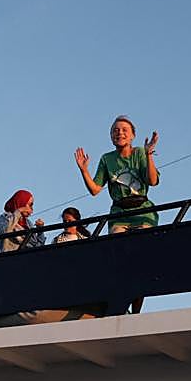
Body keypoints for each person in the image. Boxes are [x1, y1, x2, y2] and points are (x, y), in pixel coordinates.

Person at [75, 116, 160, 312]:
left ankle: (137, 307)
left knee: (141, 259)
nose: (119, 133)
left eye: (124, 130)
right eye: (115, 130)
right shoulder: (107, 159)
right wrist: (84, 170)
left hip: (142, 211)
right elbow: (96, 189)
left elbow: (152, 181)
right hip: (119, 213)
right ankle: (120, 301)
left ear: (132, 136)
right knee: (118, 255)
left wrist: (149, 155)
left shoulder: (140, 153)